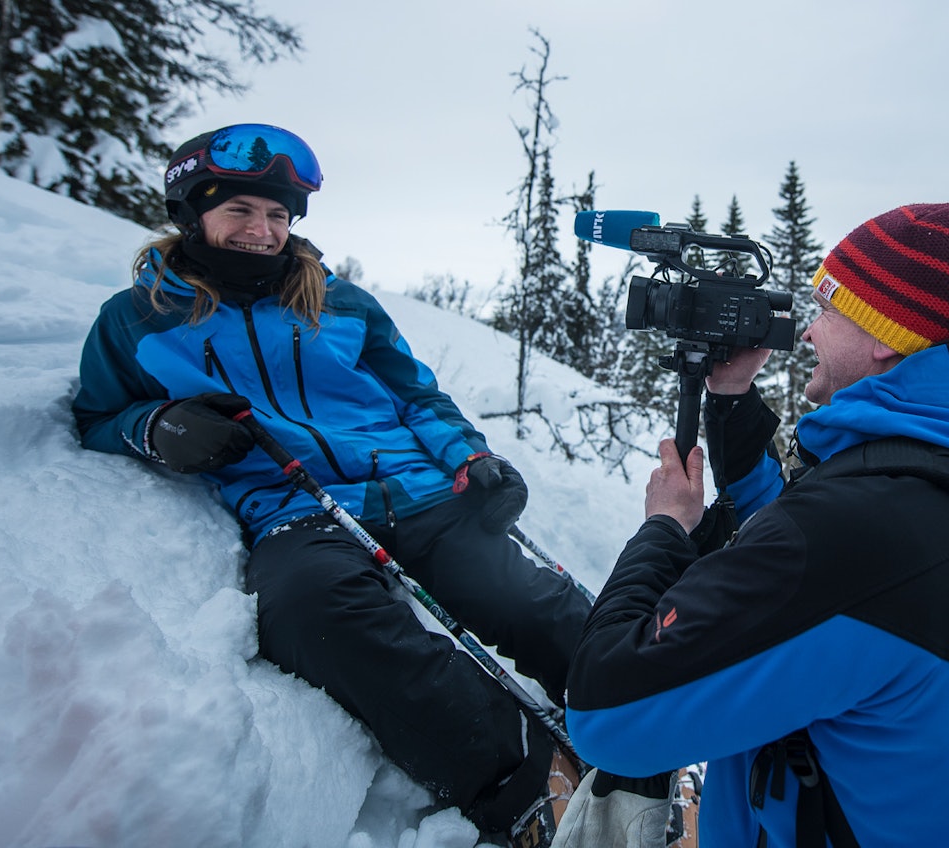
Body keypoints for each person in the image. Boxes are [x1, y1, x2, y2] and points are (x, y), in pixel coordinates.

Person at [72, 123, 589, 844]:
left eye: (278, 215)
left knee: (531, 600)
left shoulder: (341, 305)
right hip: (293, 505)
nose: (263, 230)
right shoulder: (137, 320)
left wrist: (469, 459)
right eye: (242, 212)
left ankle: (641, 710)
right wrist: (160, 426)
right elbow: (99, 413)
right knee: (316, 612)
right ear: (193, 214)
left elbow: (417, 397)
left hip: (414, 487)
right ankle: (528, 785)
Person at [560, 203, 949, 847]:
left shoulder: (862, 532)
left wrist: (663, 531)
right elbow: (811, 569)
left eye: (828, 306)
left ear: (888, 333)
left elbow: (607, 713)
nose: (806, 332)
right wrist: (732, 399)